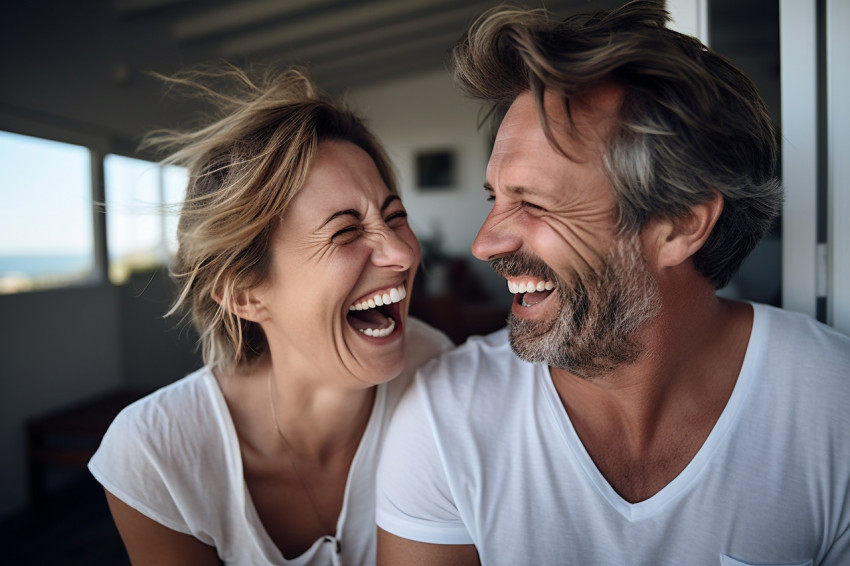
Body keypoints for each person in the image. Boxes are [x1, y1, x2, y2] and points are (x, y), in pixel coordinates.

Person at [375, 2, 850, 565]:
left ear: (679, 226)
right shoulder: (447, 418)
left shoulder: (833, 407)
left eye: (532, 202)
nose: (485, 243)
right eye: (495, 198)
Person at [88, 66, 453, 565]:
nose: (403, 254)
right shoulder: (156, 452)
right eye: (345, 232)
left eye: (395, 217)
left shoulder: (437, 371)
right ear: (244, 295)